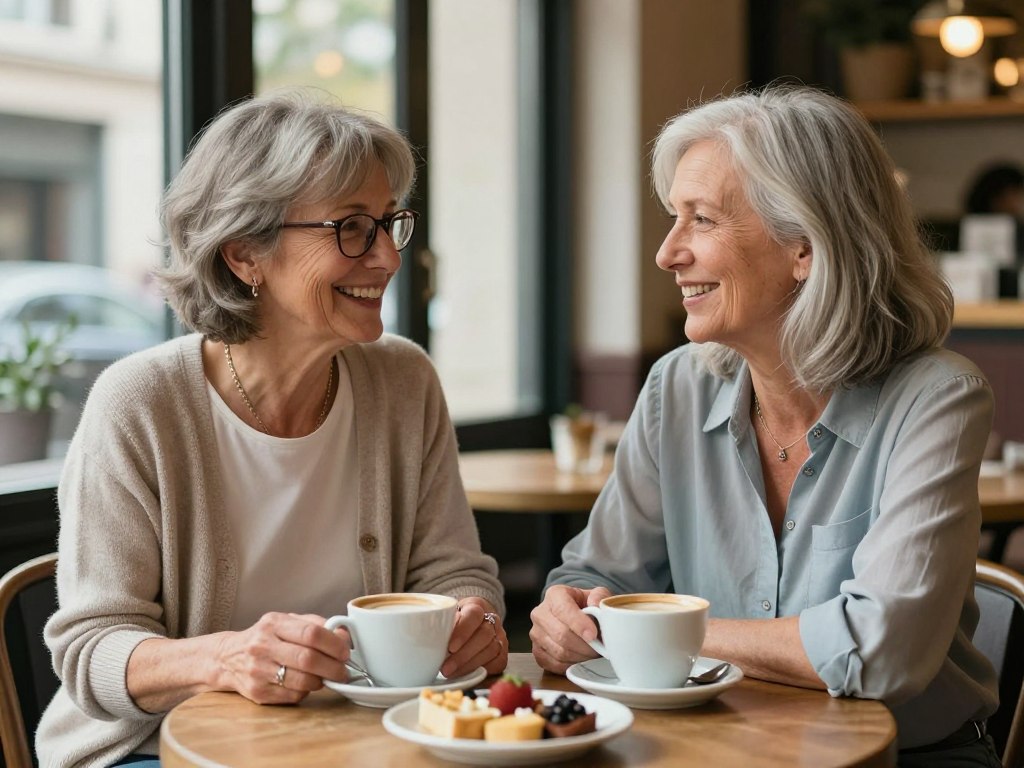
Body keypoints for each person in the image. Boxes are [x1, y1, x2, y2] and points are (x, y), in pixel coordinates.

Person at [530, 86, 1001, 765]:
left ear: (804, 248)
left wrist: (655, 632)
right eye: (674, 218)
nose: (667, 254)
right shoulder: (677, 386)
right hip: (714, 749)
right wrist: (563, 615)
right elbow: (596, 573)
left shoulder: (937, 397)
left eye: (702, 220)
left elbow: (882, 650)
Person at [37, 89, 507, 768]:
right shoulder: (140, 402)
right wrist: (224, 658)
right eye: (351, 227)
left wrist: (474, 620)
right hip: (154, 750)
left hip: (360, 740)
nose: (387, 258)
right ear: (243, 254)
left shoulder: (403, 380)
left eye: (387, 222)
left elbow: (454, 569)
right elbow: (92, 648)